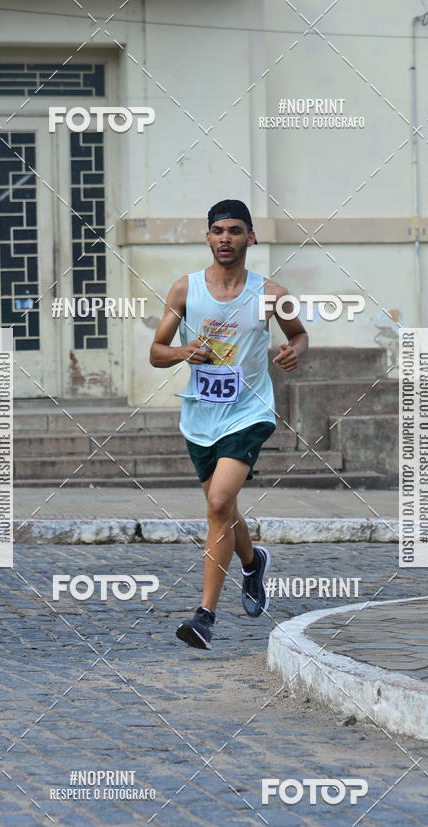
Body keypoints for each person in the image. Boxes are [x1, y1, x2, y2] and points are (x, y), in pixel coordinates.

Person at [149, 199, 308, 649]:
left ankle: (204, 616)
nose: (225, 238)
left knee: (219, 503)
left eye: (235, 230)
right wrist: (183, 352)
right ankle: (253, 561)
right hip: (199, 416)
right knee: (224, 508)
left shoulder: (270, 294)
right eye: (217, 230)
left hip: (249, 412)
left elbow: (298, 332)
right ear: (207, 238)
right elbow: (156, 352)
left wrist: (295, 349)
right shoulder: (185, 290)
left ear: (250, 237)